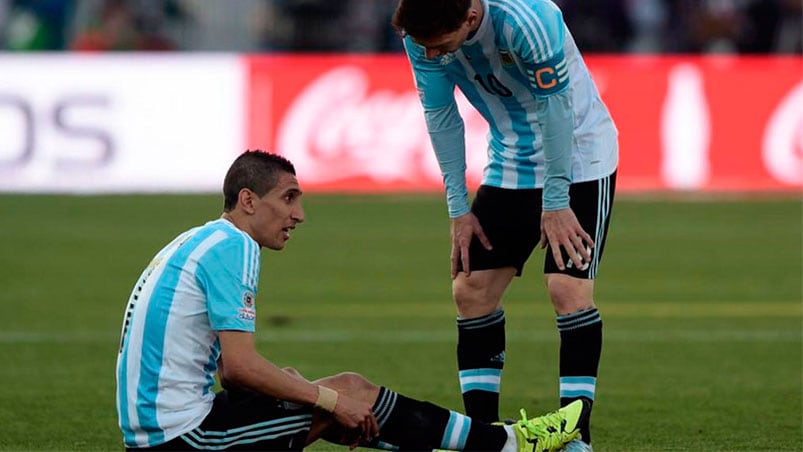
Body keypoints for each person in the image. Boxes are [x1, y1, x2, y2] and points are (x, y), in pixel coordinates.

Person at [115, 150, 589, 451]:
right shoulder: (235, 247)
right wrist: (326, 400)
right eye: (289, 198)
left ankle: (489, 443)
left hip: (163, 429)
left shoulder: (197, 241)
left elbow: (226, 374)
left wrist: (296, 389)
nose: (299, 214)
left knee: (344, 401)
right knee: (350, 393)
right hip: (184, 439)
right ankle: (512, 443)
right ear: (248, 200)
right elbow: (238, 368)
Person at [392, 1, 618, 451]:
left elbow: (557, 110)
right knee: (471, 288)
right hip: (512, 159)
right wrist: (458, 209)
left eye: (441, 47)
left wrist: (556, 202)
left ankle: (576, 437)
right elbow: (441, 116)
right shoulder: (422, 34)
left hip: (579, 156)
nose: (432, 56)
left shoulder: (528, 21)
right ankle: (483, 436)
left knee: (567, 289)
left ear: (471, 18)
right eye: (425, 48)